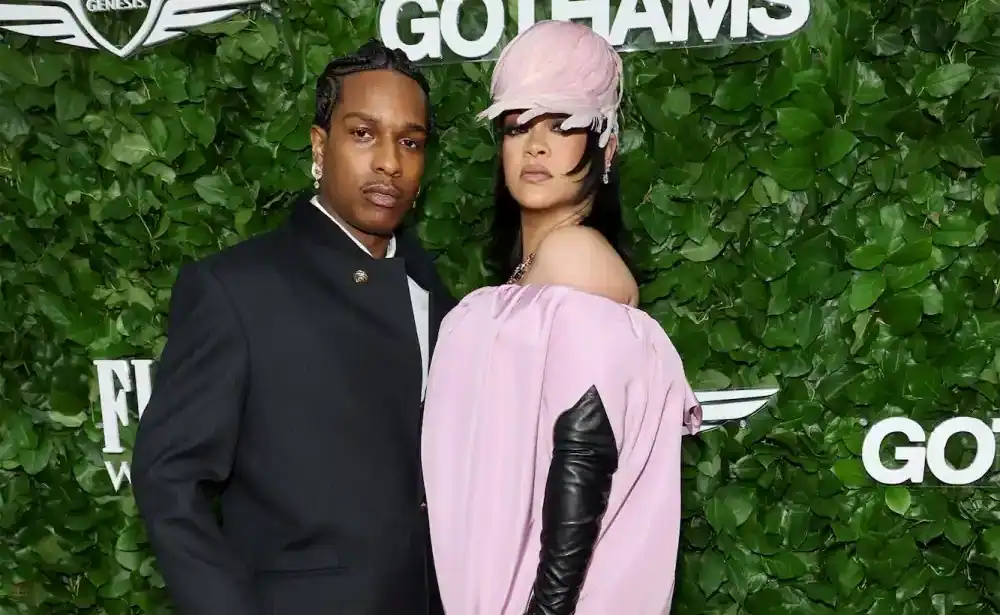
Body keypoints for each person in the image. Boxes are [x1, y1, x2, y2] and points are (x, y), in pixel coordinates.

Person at [131, 39, 454, 615]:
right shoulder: (235, 289)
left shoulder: (433, 291)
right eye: (363, 133)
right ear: (319, 145)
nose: (390, 162)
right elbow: (169, 481)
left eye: (410, 142)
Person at [420, 20, 703, 615]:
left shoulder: (575, 258)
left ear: (606, 147)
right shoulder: (528, 277)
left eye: (563, 124)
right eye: (517, 125)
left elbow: (584, 449)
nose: (536, 145)